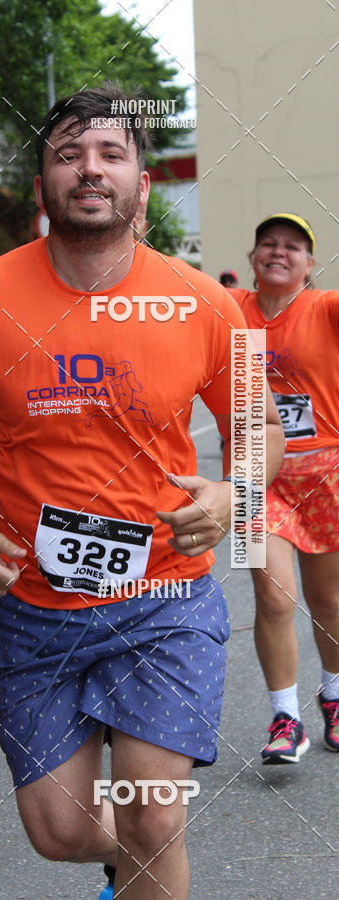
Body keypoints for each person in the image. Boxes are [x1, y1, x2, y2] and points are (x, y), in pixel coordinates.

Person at [0, 86, 284, 900]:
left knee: (151, 815)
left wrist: (233, 492)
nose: (90, 169)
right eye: (68, 154)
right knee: (60, 831)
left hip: (163, 599)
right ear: (42, 183)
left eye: (111, 153)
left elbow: (263, 426)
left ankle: (148, 844)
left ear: (143, 183)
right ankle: (134, 858)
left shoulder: (202, 303)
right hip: (33, 610)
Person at [229, 213, 339, 764]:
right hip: (253, 471)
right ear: (252, 257)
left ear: (309, 264)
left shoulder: (326, 307)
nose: (279, 251)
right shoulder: (230, 312)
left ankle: (336, 697)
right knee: (273, 597)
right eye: (267, 242)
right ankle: (285, 718)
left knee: (329, 601)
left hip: (327, 473)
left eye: (293, 246)